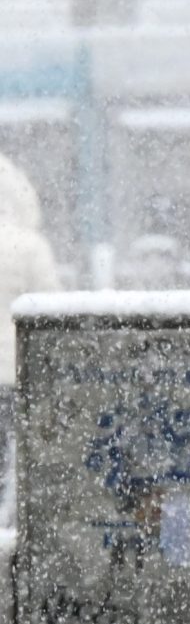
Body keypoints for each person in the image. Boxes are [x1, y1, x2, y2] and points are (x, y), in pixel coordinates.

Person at [0, 155, 61, 482]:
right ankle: (16, 517)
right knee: (26, 451)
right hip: (18, 367)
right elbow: (51, 305)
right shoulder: (30, 245)